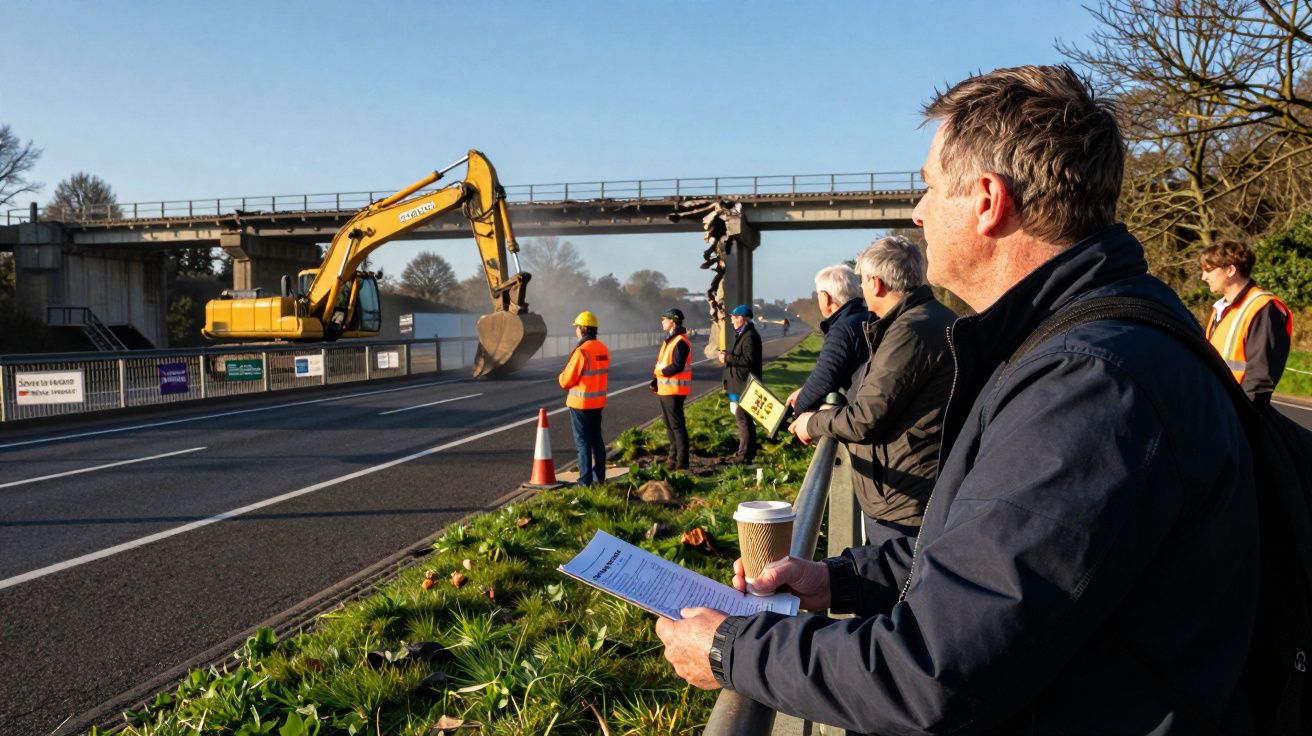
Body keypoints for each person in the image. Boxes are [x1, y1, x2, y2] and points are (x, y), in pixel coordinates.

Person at [655, 65, 1258, 734]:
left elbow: (934, 672)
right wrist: (837, 581)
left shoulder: (1089, 383)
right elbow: (994, 552)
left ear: (987, 202)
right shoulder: (1081, 343)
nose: (917, 212)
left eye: (928, 187)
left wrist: (730, 649)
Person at [789, 236, 954, 546]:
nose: (861, 290)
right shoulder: (930, 318)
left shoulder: (909, 331)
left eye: (863, 281)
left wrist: (812, 422)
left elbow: (865, 417)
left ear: (876, 284)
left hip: (903, 500)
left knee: (893, 584)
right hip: (916, 488)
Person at [1200, 239, 1293, 406]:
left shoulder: (1262, 307)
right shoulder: (1220, 309)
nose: (1204, 277)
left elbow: (1260, 377)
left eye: (1209, 270)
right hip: (1218, 406)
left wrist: (1242, 415)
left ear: (1230, 270)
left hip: (1239, 412)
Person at [786, 265, 870, 413]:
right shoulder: (866, 317)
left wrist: (798, 411)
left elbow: (824, 379)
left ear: (825, 297)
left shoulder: (842, 328)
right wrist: (805, 390)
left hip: (856, 412)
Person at [557, 311, 610, 485]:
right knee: (597, 441)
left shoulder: (582, 351)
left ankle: (584, 482)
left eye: (577, 328)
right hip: (598, 402)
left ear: (582, 329)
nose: (576, 331)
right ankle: (599, 478)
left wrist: (560, 377)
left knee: (583, 443)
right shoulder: (603, 349)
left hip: (580, 403)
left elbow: (567, 380)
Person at [718, 304, 763, 464]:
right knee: (745, 420)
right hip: (742, 384)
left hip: (745, 385)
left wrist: (727, 358)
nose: (732, 320)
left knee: (743, 419)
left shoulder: (749, 336)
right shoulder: (745, 334)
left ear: (743, 318)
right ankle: (748, 453)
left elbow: (748, 360)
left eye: (735, 317)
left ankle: (743, 456)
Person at [652, 307, 692, 470]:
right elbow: (663, 362)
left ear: (673, 321)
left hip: (675, 391)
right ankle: (673, 458)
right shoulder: (670, 340)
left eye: (664, 319)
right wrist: (656, 380)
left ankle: (682, 463)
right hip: (665, 390)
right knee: (669, 425)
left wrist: (660, 373)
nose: (662, 322)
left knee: (677, 426)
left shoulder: (680, 341)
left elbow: (677, 365)